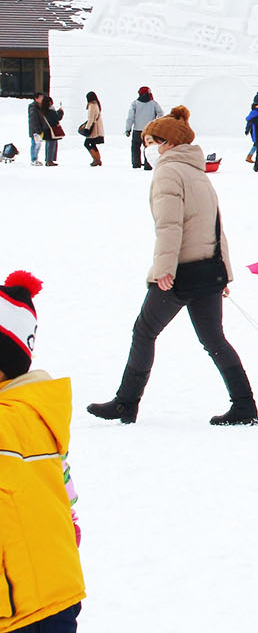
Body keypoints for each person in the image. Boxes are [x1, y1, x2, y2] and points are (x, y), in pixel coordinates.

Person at [87, 106, 257, 425]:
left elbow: (169, 225)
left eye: (150, 142)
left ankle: (126, 403)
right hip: (207, 271)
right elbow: (215, 227)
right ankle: (245, 406)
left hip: (180, 273)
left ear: (167, 143)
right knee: (214, 339)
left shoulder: (168, 171)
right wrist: (222, 274)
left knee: (144, 330)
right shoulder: (195, 171)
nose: (147, 148)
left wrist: (163, 269)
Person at [0, 270, 86, 632]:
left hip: (21, 606)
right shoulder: (36, 413)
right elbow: (64, 491)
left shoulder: (6, 423)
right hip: (54, 589)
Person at [124, 86, 164, 169]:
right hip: (149, 130)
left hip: (137, 130)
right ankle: (148, 165)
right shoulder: (153, 103)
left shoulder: (135, 103)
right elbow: (161, 113)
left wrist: (128, 129)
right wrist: (155, 122)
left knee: (135, 147)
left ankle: (136, 164)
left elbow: (130, 117)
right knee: (149, 147)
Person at [81, 90, 104, 167]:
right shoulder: (97, 104)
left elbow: (90, 118)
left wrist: (87, 128)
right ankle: (98, 159)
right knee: (93, 144)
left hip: (94, 129)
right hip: (98, 127)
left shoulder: (91, 105)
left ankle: (96, 159)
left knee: (87, 143)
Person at [26, 91, 47, 166]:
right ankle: (33, 159)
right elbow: (33, 120)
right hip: (36, 130)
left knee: (38, 145)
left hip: (40, 129)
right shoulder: (33, 108)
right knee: (35, 144)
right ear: (36, 99)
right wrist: (37, 130)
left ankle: (35, 158)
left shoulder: (39, 107)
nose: (42, 99)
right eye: (41, 97)